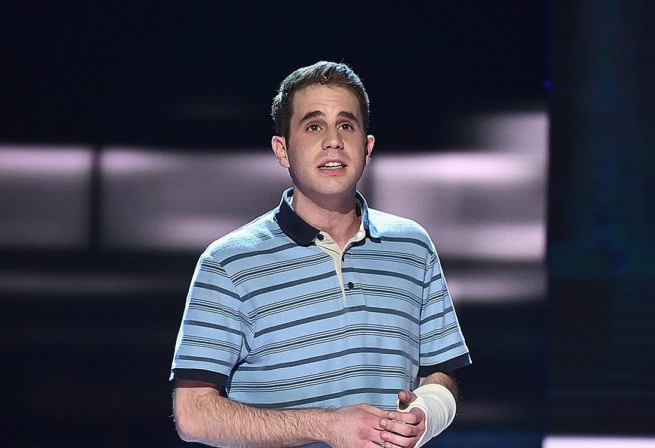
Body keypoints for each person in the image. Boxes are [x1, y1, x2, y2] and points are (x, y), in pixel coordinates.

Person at [170, 61, 471, 448]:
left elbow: (439, 375)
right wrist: (325, 426)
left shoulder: (412, 246)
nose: (333, 140)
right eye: (314, 126)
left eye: (347, 125)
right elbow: (193, 414)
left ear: (367, 146)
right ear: (282, 150)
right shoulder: (228, 263)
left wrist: (426, 415)